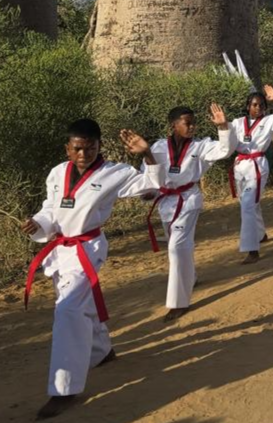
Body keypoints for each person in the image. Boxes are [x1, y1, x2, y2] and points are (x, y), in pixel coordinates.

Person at [23, 121, 163, 419]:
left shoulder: (116, 173)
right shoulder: (57, 172)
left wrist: (148, 155)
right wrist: (38, 224)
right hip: (60, 250)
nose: (84, 153)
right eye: (77, 148)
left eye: (91, 147)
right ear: (67, 148)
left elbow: (151, 188)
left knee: (68, 310)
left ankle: (65, 390)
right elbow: (51, 209)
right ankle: (102, 351)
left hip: (88, 249)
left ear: (100, 146)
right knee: (77, 305)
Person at [147, 104, 233, 321]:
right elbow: (147, 173)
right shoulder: (157, 148)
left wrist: (223, 126)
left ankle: (179, 302)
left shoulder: (201, 146)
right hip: (166, 201)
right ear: (174, 125)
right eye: (187, 123)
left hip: (188, 200)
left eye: (194, 122)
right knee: (174, 245)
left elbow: (225, 150)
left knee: (177, 247)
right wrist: (148, 191)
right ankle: (190, 276)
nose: (192, 126)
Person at [228, 87, 273, 264]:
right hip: (240, 165)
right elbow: (227, 138)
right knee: (247, 203)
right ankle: (260, 233)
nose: (258, 108)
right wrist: (220, 125)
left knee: (248, 204)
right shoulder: (238, 122)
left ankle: (252, 249)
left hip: (257, 164)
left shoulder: (270, 120)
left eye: (262, 105)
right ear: (248, 106)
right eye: (255, 105)